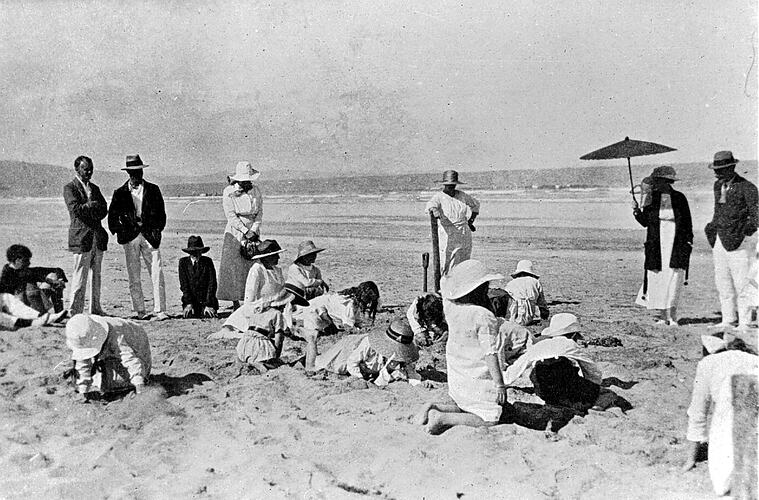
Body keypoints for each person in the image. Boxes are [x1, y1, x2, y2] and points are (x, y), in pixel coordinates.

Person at [415, 259, 508, 434]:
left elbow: (443, 288)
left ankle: (434, 407)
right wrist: (499, 383)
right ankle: (442, 418)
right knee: (489, 419)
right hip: (477, 376)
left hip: (458, 373)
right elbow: (490, 353)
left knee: (465, 406)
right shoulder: (483, 315)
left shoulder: (452, 308)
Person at [682, 334, 758, 496]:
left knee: (724, 479)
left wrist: (691, 459)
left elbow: (698, 412)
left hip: (734, 407)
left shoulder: (707, 363)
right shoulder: (753, 359)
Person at [503, 313, 605, 412]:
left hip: (543, 391)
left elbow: (518, 366)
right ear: (574, 335)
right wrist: (593, 385)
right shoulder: (569, 344)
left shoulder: (539, 346)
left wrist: (503, 381)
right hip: (563, 386)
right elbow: (590, 368)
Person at [107, 154, 168, 321]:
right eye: (133, 172)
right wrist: (121, 233)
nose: (136, 175)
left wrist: (157, 230)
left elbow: (162, 214)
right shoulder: (120, 193)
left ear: (142, 171)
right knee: (134, 275)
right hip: (130, 237)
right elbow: (112, 217)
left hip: (150, 236)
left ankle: (160, 310)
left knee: (157, 272)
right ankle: (140, 311)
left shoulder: (153, 189)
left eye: (139, 171)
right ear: (128, 173)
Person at [631, 166, 693, 326]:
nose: (657, 184)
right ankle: (662, 316)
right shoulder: (651, 198)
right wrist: (636, 210)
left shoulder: (679, 197)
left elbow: (687, 222)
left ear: (667, 182)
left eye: (659, 181)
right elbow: (645, 222)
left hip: (676, 242)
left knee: (674, 277)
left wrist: (688, 242)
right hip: (656, 243)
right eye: (656, 181)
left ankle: (672, 316)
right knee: (657, 277)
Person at [703, 151, 758, 330]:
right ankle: (728, 319)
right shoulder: (717, 185)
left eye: (720, 169)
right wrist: (712, 228)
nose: (716, 173)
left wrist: (743, 233)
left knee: (742, 283)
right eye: (715, 169)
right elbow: (717, 211)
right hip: (719, 239)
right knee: (723, 282)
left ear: (731, 167)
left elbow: (756, 216)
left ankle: (745, 322)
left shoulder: (747, 187)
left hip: (739, 242)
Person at [305, 317, 429, 387]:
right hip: (348, 350)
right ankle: (311, 340)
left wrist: (419, 383)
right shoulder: (369, 345)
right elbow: (351, 363)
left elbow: (411, 373)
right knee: (315, 366)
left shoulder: (403, 356)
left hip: (368, 370)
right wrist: (361, 379)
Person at [64, 313, 152, 399]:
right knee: (100, 382)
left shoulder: (116, 335)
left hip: (137, 347)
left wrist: (140, 388)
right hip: (110, 352)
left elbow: (131, 361)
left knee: (115, 384)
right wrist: (83, 391)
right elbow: (83, 363)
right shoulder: (83, 333)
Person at [63, 155, 109, 315]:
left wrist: (90, 208)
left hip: (97, 237)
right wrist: (92, 206)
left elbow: (104, 209)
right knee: (80, 276)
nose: (89, 172)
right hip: (81, 238)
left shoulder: (94, 188)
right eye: (85, 169)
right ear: (77, 169)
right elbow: (75, 210)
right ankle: (75, 311)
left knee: (96, 276)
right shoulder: (70, 188)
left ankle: (95, 308)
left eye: (91, 169)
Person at [214, 239, 287, 337]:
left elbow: (282, 291)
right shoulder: (256, 270)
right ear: (266, 257)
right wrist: (266, 304)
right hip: (259, 308)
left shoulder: (277, 270)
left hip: (279, 306)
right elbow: (250, 299)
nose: (278, 257)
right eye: (275, 255)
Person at [217, 162, 263, 309]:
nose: (247, 183)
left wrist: (254, 230)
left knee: (252, 263)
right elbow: (230, 215)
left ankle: (250, 298)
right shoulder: (229, 191)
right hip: (235, 231)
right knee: (234, 266)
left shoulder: (256, 190)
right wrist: (245, 231)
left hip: (253, 230)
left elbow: (259, 212)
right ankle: (235, 301)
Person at [234, 284, 309, 373]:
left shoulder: (258, 309)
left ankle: (247, 361)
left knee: (248, 357)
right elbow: (279, 338)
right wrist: (276, 355)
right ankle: (258, 363)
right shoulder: (277, 314)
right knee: (273, 364)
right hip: (259, 346)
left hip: (244, 343)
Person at [425, 170, 480, 276]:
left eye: (453, 185)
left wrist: (470, 221)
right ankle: (445, 281)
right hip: (447, 232)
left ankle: (460, 282)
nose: (451, 187)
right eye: (448, 185)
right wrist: (435, 210)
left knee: (463, 258)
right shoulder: (439, 196)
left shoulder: (462, 195)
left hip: (463, 232)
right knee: (447, 259)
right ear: (444, 185)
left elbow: (475, 205)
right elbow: (431, 205)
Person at [0, 244, 67, 314]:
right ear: (18, 260)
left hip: (29, 304)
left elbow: (53, 271)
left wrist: (55, 281)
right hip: (17, 308)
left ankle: (59, 312)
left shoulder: (23, 270)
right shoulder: (6, 276)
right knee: (30, 287)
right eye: (26, 260)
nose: (29, 263)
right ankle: (43, 315)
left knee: (53, 276)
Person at [178, 235, 219, 319]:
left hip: (207, 301)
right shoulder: (183, 263)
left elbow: (212, 284)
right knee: (189, 315)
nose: (196, 254)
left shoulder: (208, 261)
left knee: (208, 315)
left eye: (198, 251)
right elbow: (184, 286)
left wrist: (208, 304)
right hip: (191, 302)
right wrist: (188, 303)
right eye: (193, 252)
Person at [504, 260, 549, 326]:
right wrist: (545, 316)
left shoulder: (510, 283)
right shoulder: (535, 282)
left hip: (511, 317)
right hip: (528, 317)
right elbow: (541, 302)